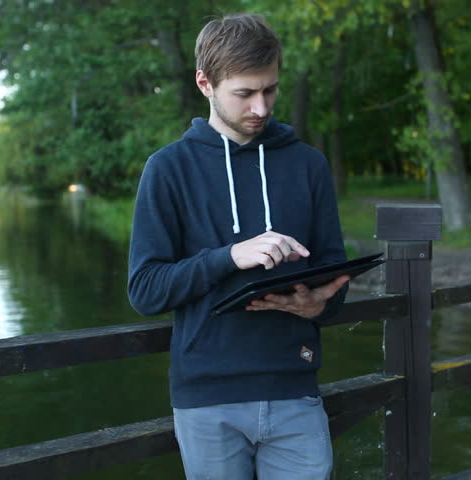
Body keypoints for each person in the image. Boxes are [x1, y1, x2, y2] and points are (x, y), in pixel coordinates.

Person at [128, 12, 349, 480]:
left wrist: (318, 306)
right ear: (205, 83)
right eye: (244, 93)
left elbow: (335, 268)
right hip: (208, 398)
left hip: (295, 390)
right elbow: (146, 289)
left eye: (270, 89)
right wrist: (229, 256)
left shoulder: (308, 165)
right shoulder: (167, 169)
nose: (262, 107)